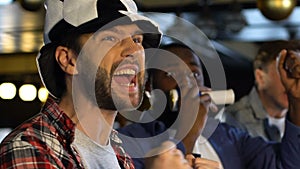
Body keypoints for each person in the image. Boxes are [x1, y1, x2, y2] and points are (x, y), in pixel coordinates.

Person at [0, 1, 194, 169]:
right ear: (68, 60)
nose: (135, 50)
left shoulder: (118, 150)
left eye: (137, 39)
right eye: (111, 38)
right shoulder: (30, 147)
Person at [118, 37, 300, 169]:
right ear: (149, 87)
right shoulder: (130, 142)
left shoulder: (228, 137)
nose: (188, 83)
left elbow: (286, 164)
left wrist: (296, 98)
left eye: (195, 74)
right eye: (171, 74)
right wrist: (188, 132)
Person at [222, 40, 299, 142]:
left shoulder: (295, 119)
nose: (294, 82)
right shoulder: (233, 119)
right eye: (286, 72)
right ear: (260, 78)